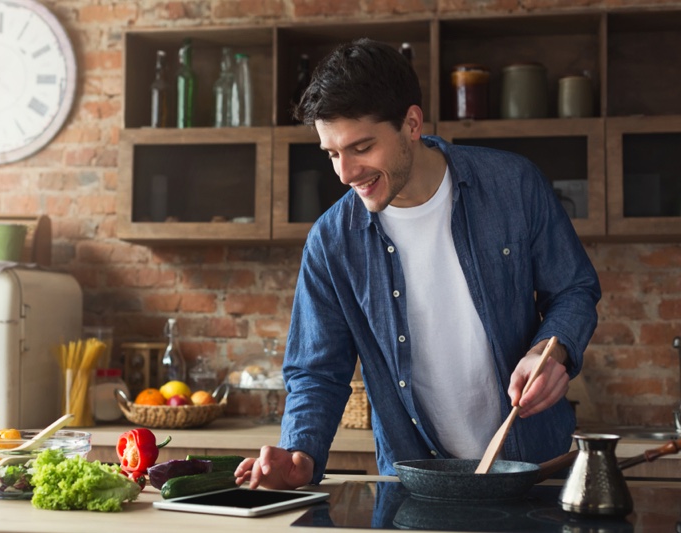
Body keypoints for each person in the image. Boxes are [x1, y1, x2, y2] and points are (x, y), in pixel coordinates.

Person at [234, 38, 601, 490]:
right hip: (416, 484)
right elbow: (316, 371)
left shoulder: (513, 185)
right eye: (332, 153)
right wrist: (300, 455)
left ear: (411, 123)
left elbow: (574, 289)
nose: (346, 173)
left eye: (361, 147)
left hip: (536, 473)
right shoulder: (331, 241)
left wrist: (550, 351)